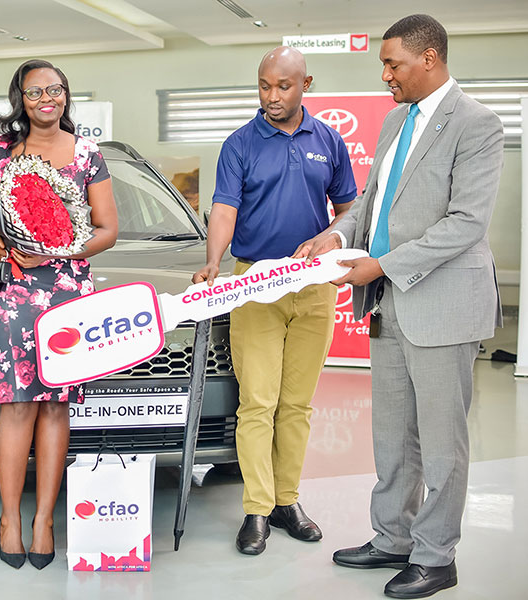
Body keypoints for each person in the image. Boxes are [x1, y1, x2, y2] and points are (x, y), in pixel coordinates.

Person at [295, 14, 503, 599]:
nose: (385, 75)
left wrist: (382, 264)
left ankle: (436, 557)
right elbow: (371, 202)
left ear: (429, 58)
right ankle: (393, 537)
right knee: (392, 436)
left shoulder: (477, 124)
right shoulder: (394, 121)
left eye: (393, 64)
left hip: (442, 304)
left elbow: (466, 223)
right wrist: (335, 235)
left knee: (441, 443)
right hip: (388, 304)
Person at [192, 47, 357, 556]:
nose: (272, 96)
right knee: (258, 403)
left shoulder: (328, 140)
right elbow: (224, 208)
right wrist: (214, 260)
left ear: (306, 83)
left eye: (283, 86)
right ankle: (258, 509)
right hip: (255, 285)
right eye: (264, 85)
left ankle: (287, 500)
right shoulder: (240, 143)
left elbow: (348, 208)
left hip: (312, 285)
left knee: (297, 405)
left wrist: (332, 241)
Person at [0, 59, 117, 569]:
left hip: (68, 293)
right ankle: (10, 518)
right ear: (21, 100)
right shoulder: (0, 151)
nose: (46, 99)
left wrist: (58, 250)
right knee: (17, 406)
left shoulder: (88, 154)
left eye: (54, 90)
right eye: (34, 92)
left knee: (56, 406)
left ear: (66, 95)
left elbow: (107, 230)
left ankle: (44, 520)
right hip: (12, 292)